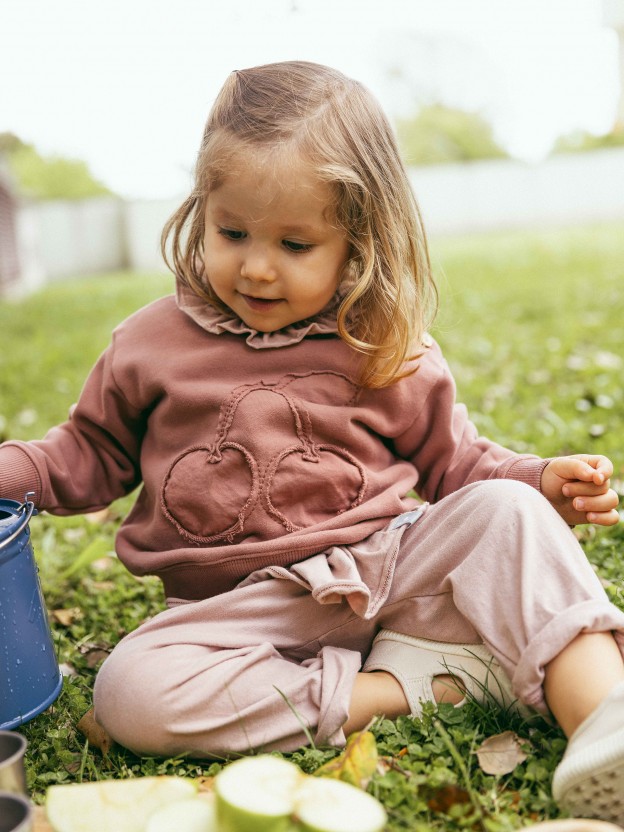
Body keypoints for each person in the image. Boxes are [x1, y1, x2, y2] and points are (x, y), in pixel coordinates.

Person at [1, 61, 623, 823]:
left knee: (508, 511)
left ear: (357, 240)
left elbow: (457, 463)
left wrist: (538, 479)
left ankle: (606, 725)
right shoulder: (149, 345)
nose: (257, 267)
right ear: (202, 210)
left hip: (387, 576)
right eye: (232, 232)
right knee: (131, 690)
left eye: (295, 244)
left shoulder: (385, 343)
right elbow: (84, 455)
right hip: (242, 620)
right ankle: (413, 687)